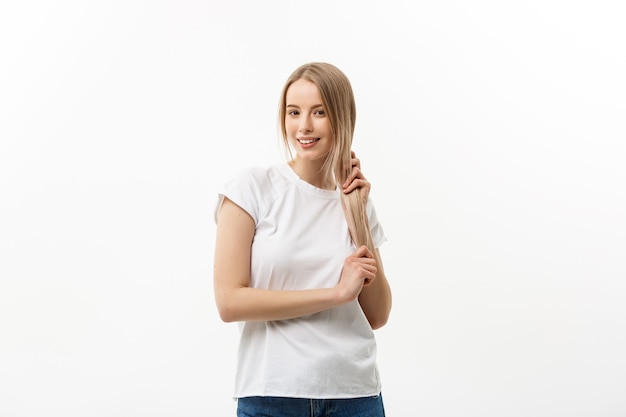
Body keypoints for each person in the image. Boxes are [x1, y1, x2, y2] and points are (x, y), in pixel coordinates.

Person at [213, 62, 392, 417]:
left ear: (342, 117)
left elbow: (378, 313)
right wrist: (336, 294)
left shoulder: (355, 200)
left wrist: (356, 213)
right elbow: (229, 302)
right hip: (272, 393)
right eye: (294, 112)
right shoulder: (252, 188)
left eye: (319, 112)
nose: (304, 126)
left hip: (355, 395)